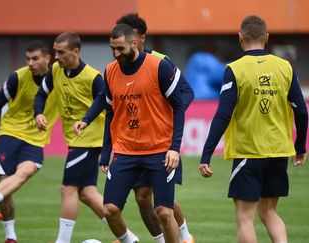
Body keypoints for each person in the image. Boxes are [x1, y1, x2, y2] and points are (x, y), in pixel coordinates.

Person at [74, 13, 195, 243]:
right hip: (127, 150)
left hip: (160, 148)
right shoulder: (111, 70)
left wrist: (168, 129)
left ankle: (185, 235)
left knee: (163, 209)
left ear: (136, 40)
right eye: (113, 48)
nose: (116, 53)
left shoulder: (160, 63)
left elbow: (183, 98)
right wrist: (89, 122)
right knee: (134, 201)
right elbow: (107, 105)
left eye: (120, 47)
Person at [199, 15, 308, 243]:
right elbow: (301, 110)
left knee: (245, 219)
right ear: (266, 38)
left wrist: (206, 154)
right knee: (269, 212)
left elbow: (222, 114)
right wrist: (299, 147)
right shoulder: (285, 67)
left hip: (248, 153)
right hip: (278, 152)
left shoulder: (235, 69)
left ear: (240, 37)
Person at [34, 31, 124, 243]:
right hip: (76, 140)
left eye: (61, 52)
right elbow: (41, 94)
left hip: (89, 141)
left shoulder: (93, 78)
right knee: (87, 193)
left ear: (75, 52)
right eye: (55, 52)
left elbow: (110, 106)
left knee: (68, 189)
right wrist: (39, 112)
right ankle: (128, 237)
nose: (56, 57)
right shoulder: (56, 70)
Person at [0, 40, 58, 243]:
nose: (30, 63)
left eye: (35, 59)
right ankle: (10, 237)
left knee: (26, 171)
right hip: (10, 133)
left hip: (35, 139)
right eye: (27, 59)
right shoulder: (17, 78)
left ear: (47, 58)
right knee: (5, 184)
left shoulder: (60, 76)